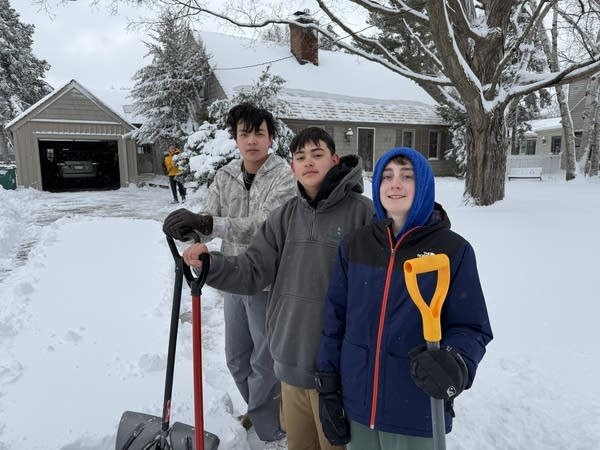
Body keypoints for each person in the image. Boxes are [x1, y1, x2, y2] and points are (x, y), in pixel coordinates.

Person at [178, 127, 374, 450]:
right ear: (293, 166)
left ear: (335, 159)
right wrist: (210, 264)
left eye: (317, 154)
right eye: (300, 157)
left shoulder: (362, 213)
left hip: (336, 370)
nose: (308, 162)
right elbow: (253, 268)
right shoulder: (284, 217)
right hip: (289, 364)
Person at [315, 147, 493, 450]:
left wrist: (456, 360)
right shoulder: (355, 246)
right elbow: (335, 320)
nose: (394, 184)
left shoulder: (451, 251)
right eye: (387, 176)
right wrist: (328, 386)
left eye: (406, 176)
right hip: (358, 405)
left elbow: (471, 327)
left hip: (416, 408)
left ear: (423, 184)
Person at [163, 103, 296, 448]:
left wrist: (207, 223)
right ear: (235, 138)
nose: (252, 140)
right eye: (244, 133)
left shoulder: (284, 176)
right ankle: (259, 408)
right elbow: (207, 223)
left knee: (265, 363)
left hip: (267, 281)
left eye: (259, 133)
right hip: (232, 279)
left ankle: (273, 432)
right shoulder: (225, 176)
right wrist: (188, 230)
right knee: (237, 358)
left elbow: (265, 225)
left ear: (271, 137)